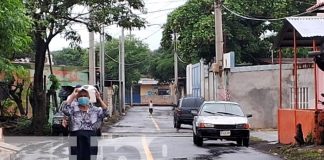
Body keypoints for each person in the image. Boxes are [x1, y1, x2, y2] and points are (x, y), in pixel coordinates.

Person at [63, 86, 109, 160]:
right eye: (81, 96)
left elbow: (106, 112)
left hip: (91, 137)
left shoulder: (95, 110)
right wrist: (72, 95)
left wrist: (99, 98)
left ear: (89, 98)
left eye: (85, 96)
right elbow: (65, 110)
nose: (83, 97)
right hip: (76, 138)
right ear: (77, 98)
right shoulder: (73, 109)